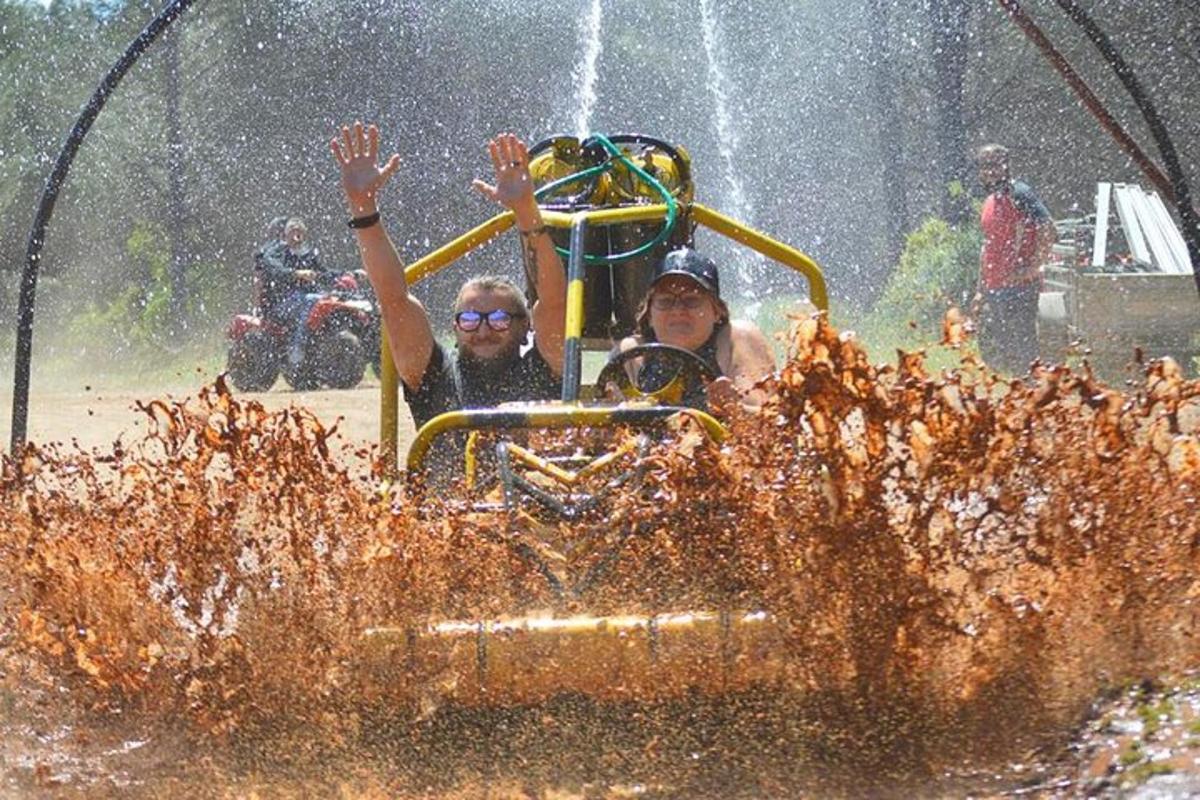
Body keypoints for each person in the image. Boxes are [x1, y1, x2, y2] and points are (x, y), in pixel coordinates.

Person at [329, 121, 567, 472]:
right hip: (444, 520)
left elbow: (556, 302)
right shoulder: (434, 376)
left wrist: (526, 211)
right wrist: (363, 208)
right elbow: (393, 298)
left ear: (523, 328)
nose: (483, 330)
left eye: (499, 320)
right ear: (455, 328)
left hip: (529, 517)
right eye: (469, 320)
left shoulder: (542, 370)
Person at [611, 247, 775, 412]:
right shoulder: (631, 355)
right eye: (666, 301)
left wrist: (733, 410)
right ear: (649, 316)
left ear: (717, 311)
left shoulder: (737, 339)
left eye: (691, 300)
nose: (677, 310)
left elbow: (769, 420)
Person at [974, 144, 1057, 373]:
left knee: (1024, 351)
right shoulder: (990, 201)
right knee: (1001, 356)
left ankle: (1032, 396)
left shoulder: (1020, 193)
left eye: (995, 165)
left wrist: (1033, 267)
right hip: (994, 288)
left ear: (1006, 165)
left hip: (1019, 287)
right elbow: (987, 247)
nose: (990, 172)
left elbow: (1049, 229)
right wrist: (980, 289)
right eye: (985, 166)